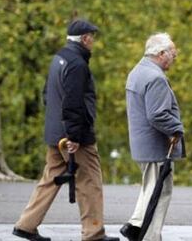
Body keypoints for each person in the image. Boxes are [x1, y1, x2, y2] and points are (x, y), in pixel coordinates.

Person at [13, 19, 119, 241]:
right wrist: (74, 135)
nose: (93, 41)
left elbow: (47, 95)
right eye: (92, 37)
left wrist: (59, 128)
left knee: (50, 179)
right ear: (85, 39)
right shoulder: (77, 64)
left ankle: (26, 225)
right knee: (89, 181)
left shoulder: (59, 58)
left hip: (55, 132)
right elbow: (73, 102)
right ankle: (93, 233)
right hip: (74, 136)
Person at [120, 33, 185, 241]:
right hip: (156, 147)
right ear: (161, 53)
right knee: (159, 193)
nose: (174, 58)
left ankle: (135, 225)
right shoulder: (155, 77)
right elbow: (157, 114)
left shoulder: (137, 71)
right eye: (172, 54)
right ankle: (150, 236)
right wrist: (178, 128)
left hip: (143, 145)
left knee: (150, 188)